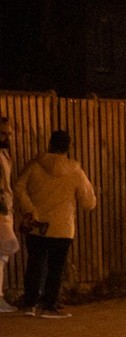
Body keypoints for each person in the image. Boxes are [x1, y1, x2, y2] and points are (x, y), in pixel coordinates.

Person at [13, 129, 97, 319]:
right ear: (68, 147)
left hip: (37, 225)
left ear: (50, 144)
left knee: (34, 264)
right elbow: (88, 202)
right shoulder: (75, 171)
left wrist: (30, 209)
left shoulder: (35, 165)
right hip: (62, 227)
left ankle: (29, 304)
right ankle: (48, 305)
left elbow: (18, 187)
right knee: (55, 268)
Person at [0, 117, 17, 313]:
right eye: (3, 133)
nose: (7, 137)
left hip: (5, 207)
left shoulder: (4, 153)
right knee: (4, 252)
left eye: (8, 133)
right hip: (2, 210)